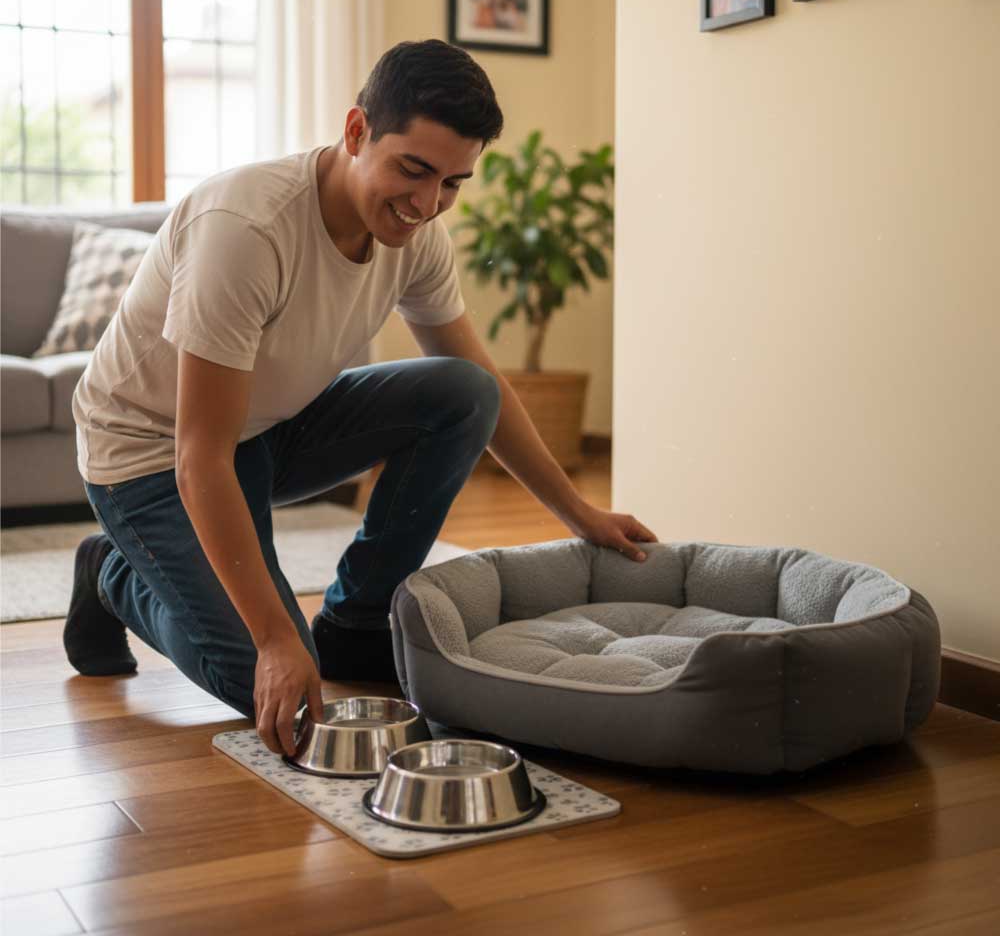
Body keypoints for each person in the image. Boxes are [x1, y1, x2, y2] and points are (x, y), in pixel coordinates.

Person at [63, 39, 659, 758]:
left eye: (452, 183)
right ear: (355, 132)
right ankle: (114, 572)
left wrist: (580, 512)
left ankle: (355, 622)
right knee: (257, 675)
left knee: (464, 393)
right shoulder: (246, 231)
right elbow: (200, 457)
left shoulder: (417, 235)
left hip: (267, 428)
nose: (426, 203)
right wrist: (279, 639)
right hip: (151, 457)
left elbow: (486, 388)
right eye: (413, 169)